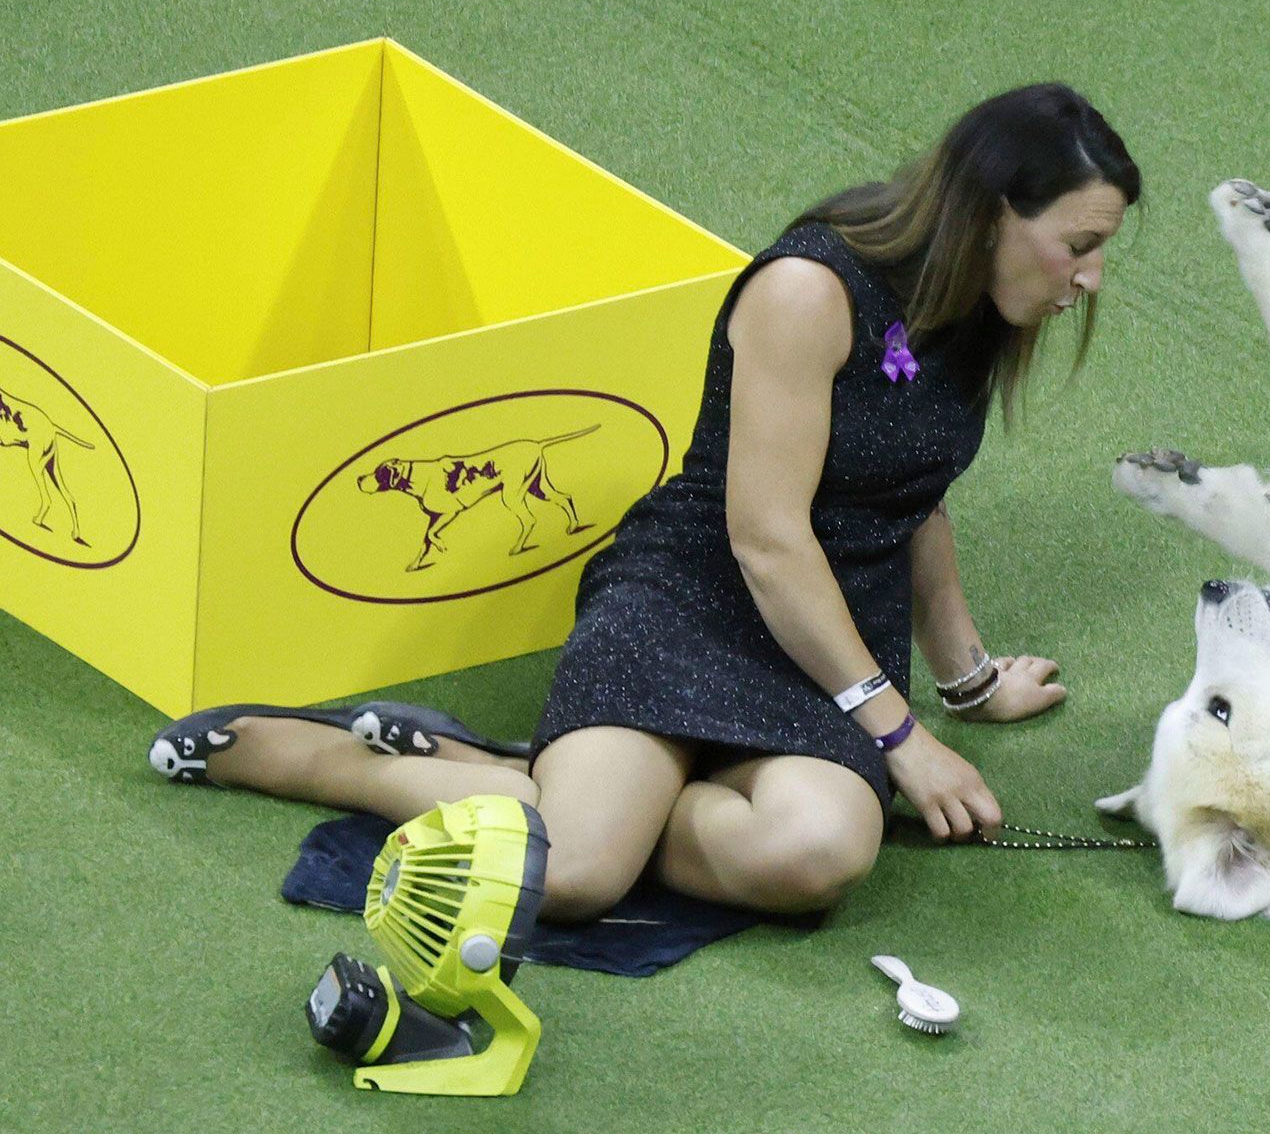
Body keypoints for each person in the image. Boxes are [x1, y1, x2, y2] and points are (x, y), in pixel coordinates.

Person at [151, 82, 1139, 924]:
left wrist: (967, 681)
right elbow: (764, 539)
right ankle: (330, 761)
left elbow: (916, 501)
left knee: (813, 857)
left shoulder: (984, 302)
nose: (1089, 279)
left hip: (830, 632)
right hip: (700, 592)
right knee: (574, 875)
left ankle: (533, 782)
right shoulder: (810, 288)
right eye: (1078, 244)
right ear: (992, 211)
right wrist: (897, 732)